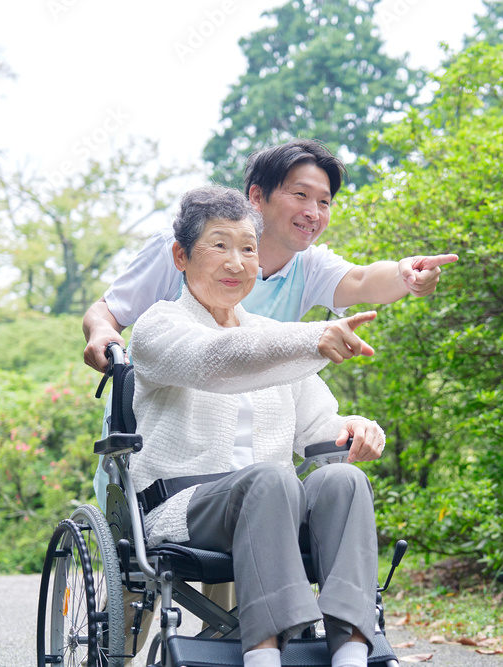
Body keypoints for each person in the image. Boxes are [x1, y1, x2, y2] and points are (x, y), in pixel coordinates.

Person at [127, 185, 385, 667]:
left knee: (342, 479)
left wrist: (358, 429)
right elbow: (215, 361)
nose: (237, 262)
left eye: (248, 248)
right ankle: (263, 659)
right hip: (185, 505)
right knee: (269, 479)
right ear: (182, 256)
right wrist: (313, 338)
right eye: (220, 245)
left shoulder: (272, 335)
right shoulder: (158, 327)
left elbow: (319, 431)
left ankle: (352, 652)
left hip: (273, 503)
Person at [82, 138, 458, 372]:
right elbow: (107, 312)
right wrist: (102, 334)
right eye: (300, 195)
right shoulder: (182, 243)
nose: (314, 212)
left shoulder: (308, 265)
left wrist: (405, 273)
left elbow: (361, 281)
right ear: (257, 197)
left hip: (250, 443)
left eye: (324, 202)